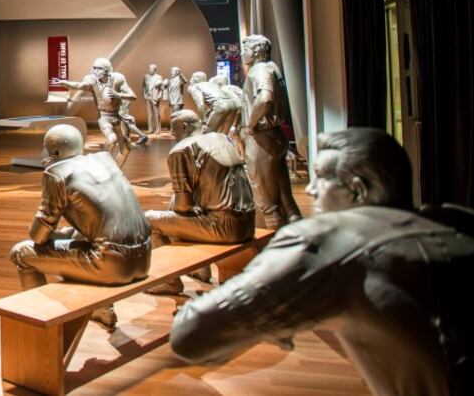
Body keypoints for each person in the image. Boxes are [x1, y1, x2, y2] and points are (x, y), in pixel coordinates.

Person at [170, 128, 474, 396]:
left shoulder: (328, 241)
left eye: (323, 178)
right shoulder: (458, 220)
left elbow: (192, 335)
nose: (312, 189)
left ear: (358, 188)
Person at [9, 125, 151, 328]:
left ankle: (40, 326)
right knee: (76, 234)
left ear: (55, 152)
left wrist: (43, 230)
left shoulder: (56, 173)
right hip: (144, 256)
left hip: (112, 265)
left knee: (21, 254)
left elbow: (39, 237)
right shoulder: (105, 160)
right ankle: (103, 309)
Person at [145, 110, 255, 294]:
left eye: (174, 129)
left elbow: (183, 206)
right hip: (247, 222)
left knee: (150, 220)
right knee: (174, 208)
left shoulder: (182, 149)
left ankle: (170, 281)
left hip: (222, 227)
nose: (173, 134)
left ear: (184, 127)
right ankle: (200, 269)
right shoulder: (222, 138)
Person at [241, 35, 301, 228]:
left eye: (246, 48)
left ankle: (273, 248)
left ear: (257, 50)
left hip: (262, 138)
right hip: (276, 135)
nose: (243, 53)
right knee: (285, 198)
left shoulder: (258, 70)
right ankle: (298, 239)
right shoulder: (272, 67)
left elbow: (265, 98)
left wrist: (250, 124)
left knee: (267, 202)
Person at [52, 59, 137, 166]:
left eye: (99, 68)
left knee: (126, 149)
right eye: (94, 68)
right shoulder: (92, 81)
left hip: (119, 116)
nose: (95, 71)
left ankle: (116, 171)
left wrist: (118, 94)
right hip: (104, 116)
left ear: (106, 70)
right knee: (112, 139)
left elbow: (133, 96)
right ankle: (101, 165)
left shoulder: (117, 79)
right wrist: (64, 83)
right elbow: (79, 85)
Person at [142, 63, 165, 134]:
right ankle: (150, 129)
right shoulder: (146, 76)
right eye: (149, 68)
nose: (149, 70)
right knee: (150, 114)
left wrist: (159, 96)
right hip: (148, 96)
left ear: (154, 69)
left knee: (156, 113)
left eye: (151, 68)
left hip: (155, 96)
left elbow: (162, 88)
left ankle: (158, 129)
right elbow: (143, 87)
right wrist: (144, 95)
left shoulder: (159, 77)